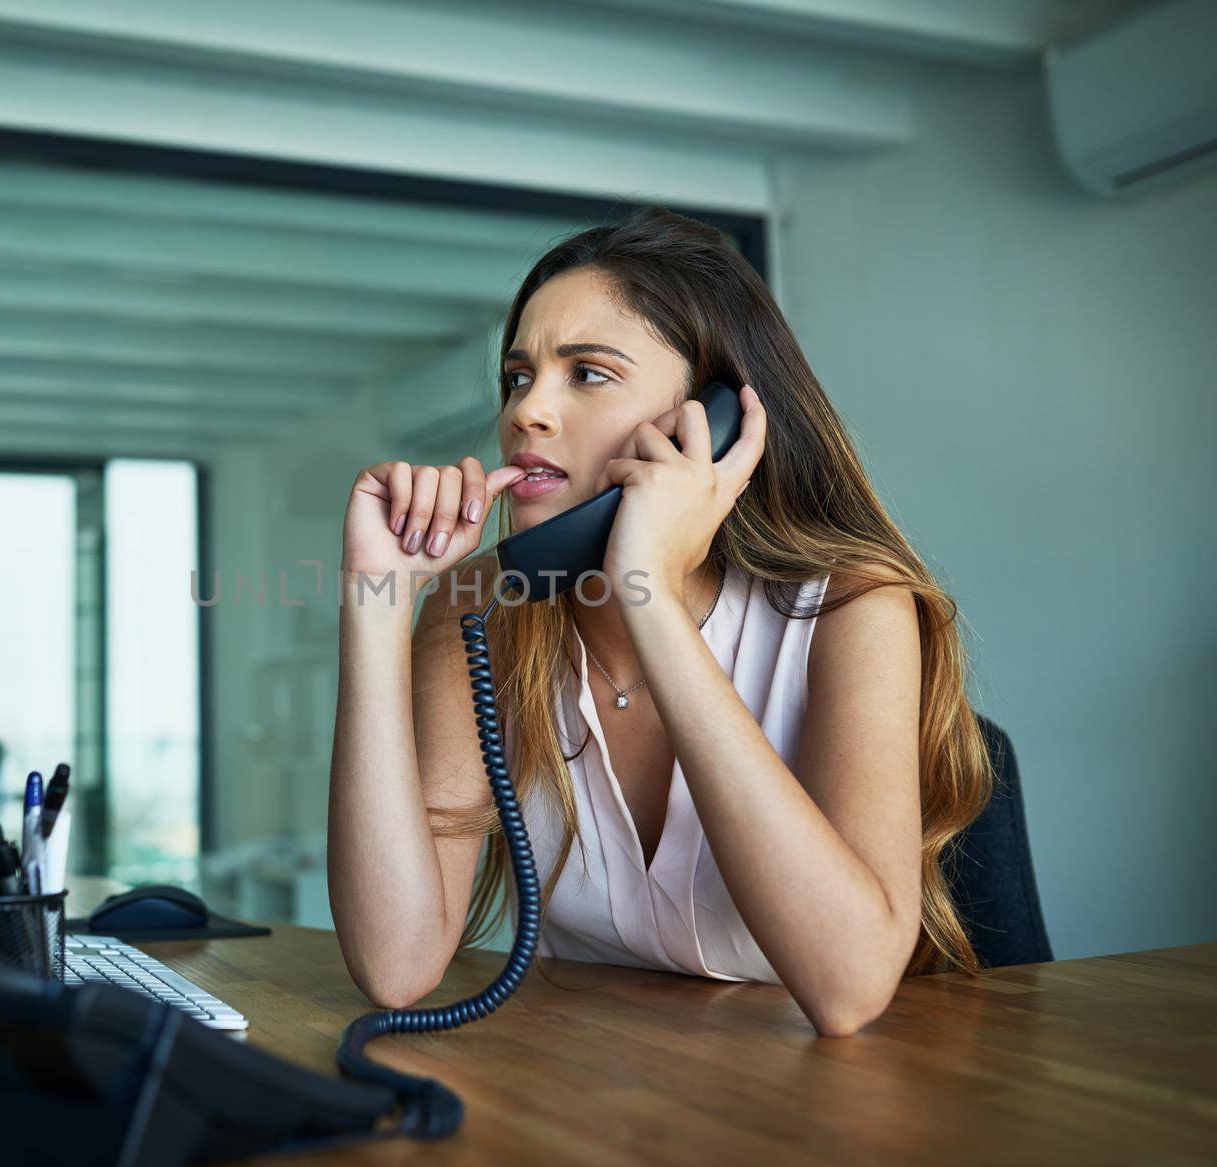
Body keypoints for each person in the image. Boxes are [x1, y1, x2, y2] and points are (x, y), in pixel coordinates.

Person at [328, 206, 992, 1037]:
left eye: (589, 374)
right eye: (517, 376)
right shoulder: (478, 613)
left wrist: (646, 594)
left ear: (706, 422)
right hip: (590, 1102)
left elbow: (849, 987)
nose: (526, 412)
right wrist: (377, 601)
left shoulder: (853, 608)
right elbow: (396, 966)